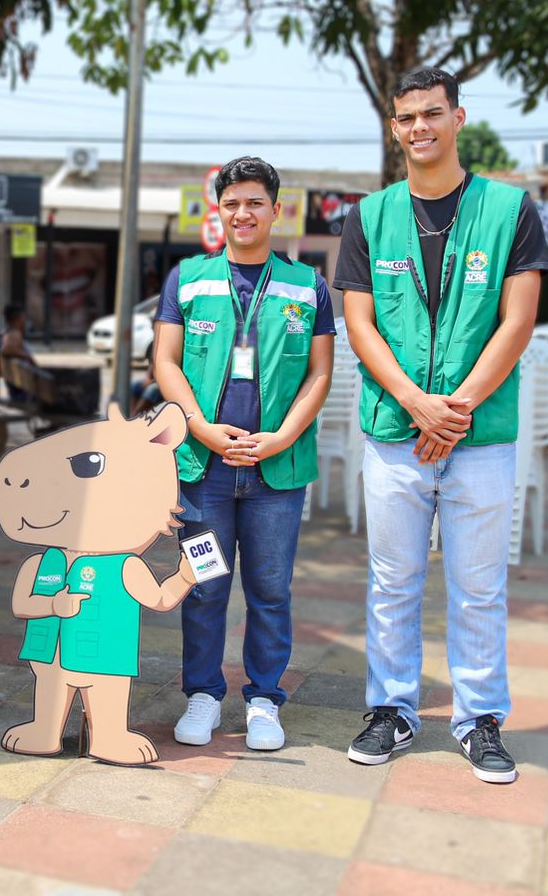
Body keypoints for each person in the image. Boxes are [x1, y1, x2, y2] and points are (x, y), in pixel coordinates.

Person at [334, 67, 548, 785]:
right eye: (406, 118)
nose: (419, 128)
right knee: (392, 579)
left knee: (479, 583)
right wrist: (415, 403)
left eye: (432, 113)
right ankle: (392, 709)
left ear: (458, 117)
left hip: (479, 438)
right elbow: (360, 326)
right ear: (394, 129)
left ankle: (480, 717)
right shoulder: (369, 218)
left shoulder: (510, 209)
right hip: (395, 432)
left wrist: (451, 411)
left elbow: (516, 324)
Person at [154, 156, 335, 752]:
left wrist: (281, 438)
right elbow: (165, 363)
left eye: (255, 202)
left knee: (270, 589)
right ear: (219, 211)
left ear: (276, 211)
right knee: (204, 584)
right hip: (202, 470)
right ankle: (203, 695)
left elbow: (319, 374)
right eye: (232, 203)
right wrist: (200, 427)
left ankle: (263, 699)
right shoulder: (187, 279)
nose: (243, 212)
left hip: (275, 473)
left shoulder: (308, 287)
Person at [0, 302, 36, 402]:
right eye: (24, 317)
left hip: (16, 387)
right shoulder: (14, 334)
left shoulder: (5, 332)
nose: (25, 320)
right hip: (23, 391)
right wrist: (27, 356)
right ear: (17, 318)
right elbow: (6, 349)